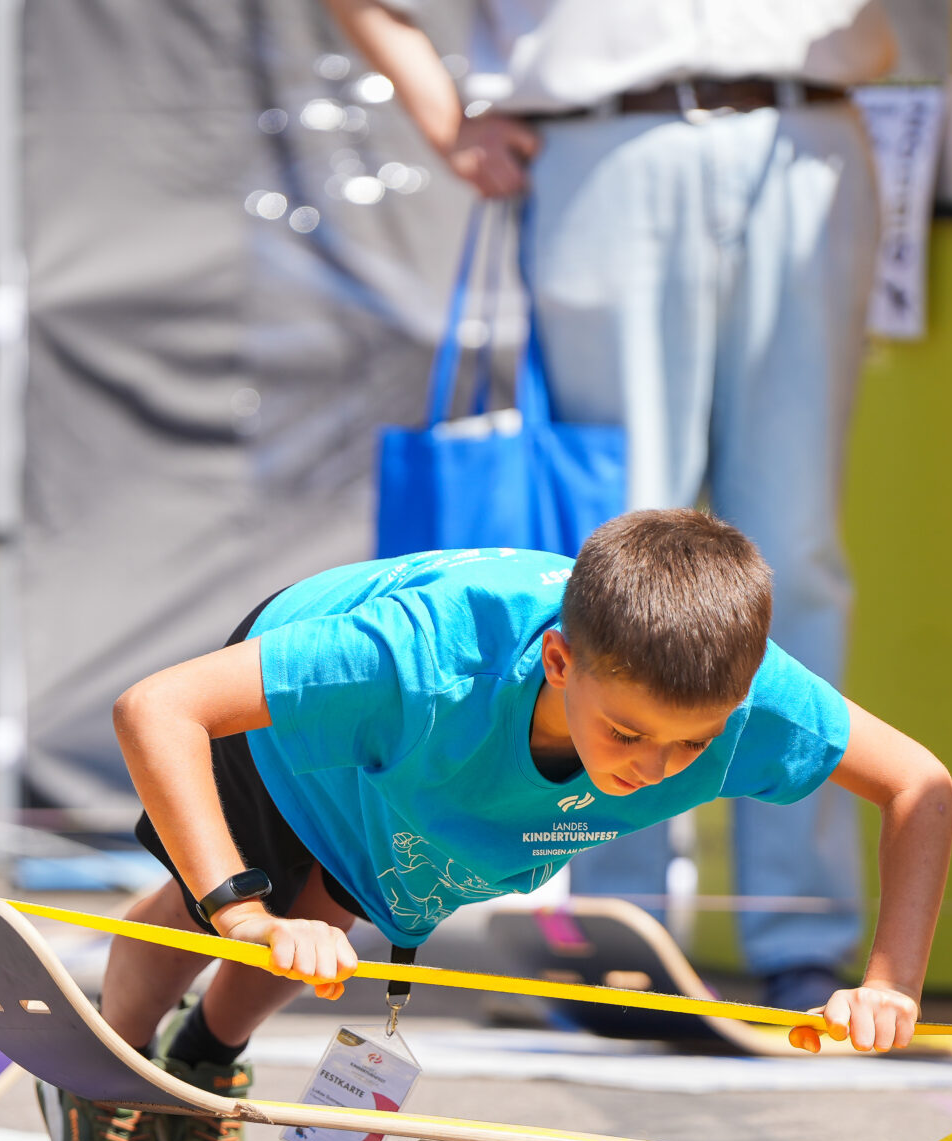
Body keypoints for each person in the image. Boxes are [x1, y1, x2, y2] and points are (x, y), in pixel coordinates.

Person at [45, 511, 952, 1141]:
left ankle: (204, 1061)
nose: (653, 770)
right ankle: (109, 1069)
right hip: (303, 710)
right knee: (240, 902)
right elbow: (155, 707)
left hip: (426, 767)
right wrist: (239, 911)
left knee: (328, 915)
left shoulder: (758, 700)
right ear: (558, 661)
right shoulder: (419, 657)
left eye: (694, 744)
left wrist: (890, 982)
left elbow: (920, 783)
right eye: (627, 732)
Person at [325, 0, 895, 1014]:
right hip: (605, 140)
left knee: (797, 551)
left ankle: (800, 928)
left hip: (808, 134)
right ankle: (616, 924)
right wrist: (446, 116)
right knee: (618, 565)